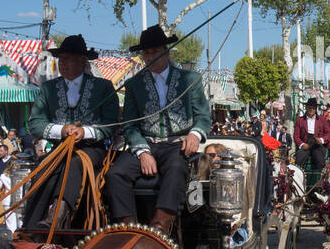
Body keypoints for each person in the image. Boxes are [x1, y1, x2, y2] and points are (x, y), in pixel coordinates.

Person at [105, 25, 211, 236]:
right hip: (146, 144)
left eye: (155, 52)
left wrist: (194, 134)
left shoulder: (191, 80)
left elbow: (203, 116)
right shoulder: (134, 85)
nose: (151, 57)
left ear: (166, 51)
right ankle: (129, 229)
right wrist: (143, 152)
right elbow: (130, 125)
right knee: (116, 174)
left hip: (176, 144)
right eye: (146, 53)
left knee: (176, 166)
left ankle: (159, 228)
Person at [24, 33, 121, 230]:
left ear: (83, 61)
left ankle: (55, 219)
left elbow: (111, 124)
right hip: (60, 148)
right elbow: (34, 124)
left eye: (68, 59)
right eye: (61, 59)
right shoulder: (48, 88)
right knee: (42, 169)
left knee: (75, 163)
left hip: (93, 149)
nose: (63, 64)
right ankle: (30, 227)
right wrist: (61, 130)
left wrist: (84, 132)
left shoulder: (103, 87)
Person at [292, 97, 330, 173]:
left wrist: (321, 140)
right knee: (298, 160)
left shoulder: (322, 119)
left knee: (319, 160)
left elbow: (328, 134)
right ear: (306, 108)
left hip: (317, 145)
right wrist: (302, 144)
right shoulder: (299, 120)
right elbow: (296, 136)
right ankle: (299, 180)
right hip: (305, 144)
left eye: (313, 108)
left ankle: (318, 181)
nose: (311, 109)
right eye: (309, 107)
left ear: (316, 109)